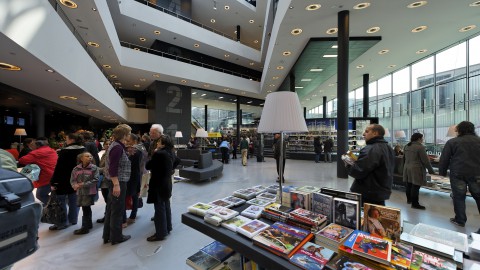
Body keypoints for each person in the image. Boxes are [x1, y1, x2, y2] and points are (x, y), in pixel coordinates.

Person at [439, 121, 480, 227]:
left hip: (458, 173)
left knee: (459, 197)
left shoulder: (453, 142)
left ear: (459, 130)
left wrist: (442, 172)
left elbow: (444, 159)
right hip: (477, 174)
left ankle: (460, 220)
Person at [346, 124, 395, 206]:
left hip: (367, 193)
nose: (363, 134)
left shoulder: (370, 149)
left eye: (367, 131)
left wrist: (348, 164)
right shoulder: (388, 148)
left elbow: (358, 171)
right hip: (380, 192)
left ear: (375, 133)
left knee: (363, 216)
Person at [145, 135, 180, 241]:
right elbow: (178, 160)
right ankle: (168, 228)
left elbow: (148, 166)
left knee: (159, 208)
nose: (157, 143)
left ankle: (160, 233)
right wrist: (170, 170)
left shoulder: (159, 153)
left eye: (159, 142)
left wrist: (155, 153)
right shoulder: (171, 152)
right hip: (167, 182)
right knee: (166, 205)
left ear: (163, 143)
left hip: (158, 183)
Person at [103, 124, 132, 245]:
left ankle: (108, 235)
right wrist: (116, 185)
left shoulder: (118, 146)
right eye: (129, 133)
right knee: (117, 210)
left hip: (115, 181)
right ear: (124, 134)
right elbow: (113, 168)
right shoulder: (117, 148)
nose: (130, 135)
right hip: (118, 181)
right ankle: (116, 237)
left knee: (111, 208)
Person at [50, 133, 86, 230]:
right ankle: (73, 220)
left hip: (63, 179)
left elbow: (59, 168)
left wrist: (53, 181)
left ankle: (62, 222)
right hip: (79, 178)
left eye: (67, 138)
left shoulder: (65, 151)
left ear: (71, 140)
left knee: (60, 201)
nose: (66, 140)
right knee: (74, 199)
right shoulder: (83, 149)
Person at [18, 137, 58, 205]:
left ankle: (54, 206)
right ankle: (52, 206)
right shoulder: (52, 150)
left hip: (45, 178)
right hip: (55, 176)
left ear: (37, 145)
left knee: (40, 195)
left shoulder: (36, 153)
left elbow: (22, 160)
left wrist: (31, 150)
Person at [403, 133, 435, 210]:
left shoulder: (407, 146)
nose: (422, 140)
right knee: (416, 186)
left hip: (407, 168)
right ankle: (415, 204)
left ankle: (409, 200)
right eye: (422, 138)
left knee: (409, 184)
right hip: (416, 169)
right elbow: (425, 161)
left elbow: (404, 158)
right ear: (418, 139)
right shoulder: (420, 147)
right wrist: (431, 171)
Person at [70, 152, 99, 235]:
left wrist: (83, 184)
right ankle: (88, 224)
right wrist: (74, 185)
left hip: (89, 192)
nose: (89, 157)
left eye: (90, 156)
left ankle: (85, 227)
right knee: (85, 208)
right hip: (79, 192)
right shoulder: (76, 169)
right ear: (81, 158)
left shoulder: (94, 168)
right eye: (87, 156)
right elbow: (72, 179)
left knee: (86, 208)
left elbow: (96, 180)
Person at [124, 133, 143, 226]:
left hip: (133, 176)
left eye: (128, 141)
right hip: (134, 176)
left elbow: (132, 165)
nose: (126, 142)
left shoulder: (136, 150)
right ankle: (132, 216)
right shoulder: (135, 149)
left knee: (134, 196)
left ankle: (132, 216)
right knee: (134, 195)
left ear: (134, 141)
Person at [96, 140, 111, 223]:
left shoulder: (110, 154)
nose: (108, 145)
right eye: (106, 144)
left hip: (107, 180)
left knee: (108, 200)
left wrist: (97, 170)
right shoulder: (104, 154)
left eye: (109, 144)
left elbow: (107, 168)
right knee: (107, 200)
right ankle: (107, 216)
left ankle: (107, 217)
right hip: (103, 180)